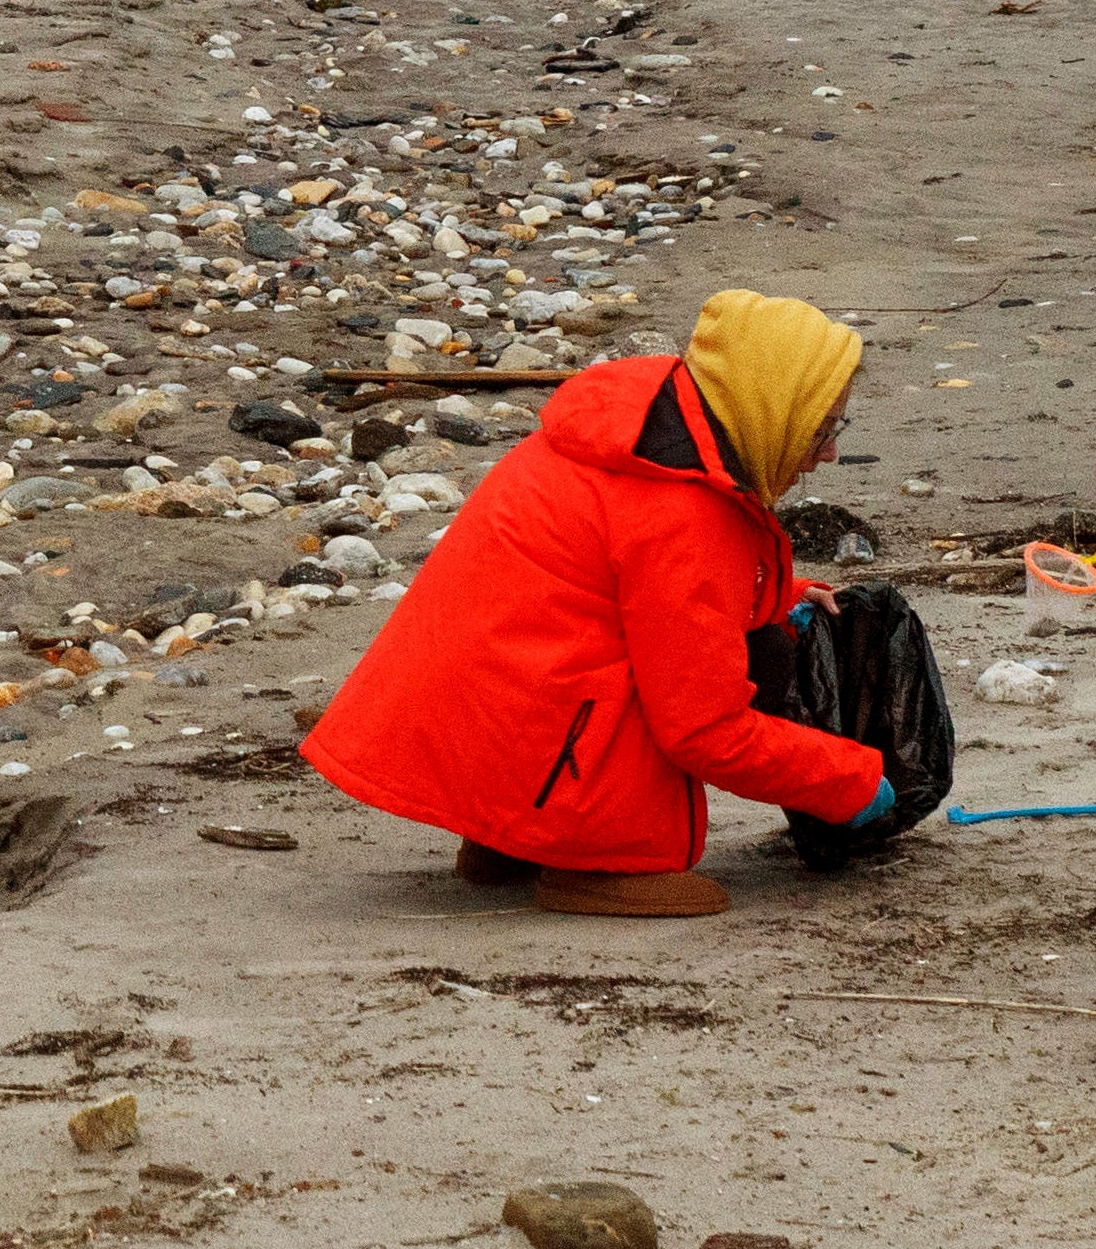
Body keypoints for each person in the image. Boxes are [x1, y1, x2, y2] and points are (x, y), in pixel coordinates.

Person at [304, 290, 903, 918]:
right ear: (771, 409)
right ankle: (598, 860)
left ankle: (507, 836)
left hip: (464, 715)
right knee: (756, 661)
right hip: (528, 717)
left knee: (722, 643)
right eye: (823, 427)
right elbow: (704, 730)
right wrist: (850, 781)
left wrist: (775, 594)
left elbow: (621, 584)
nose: (830, 449)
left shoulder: (638, 430)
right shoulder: (685, 510)